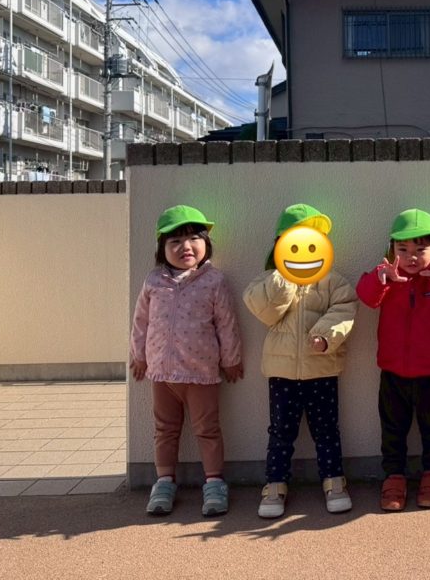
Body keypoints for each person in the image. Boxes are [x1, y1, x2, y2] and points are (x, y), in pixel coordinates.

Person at [244, 203, 358, 519]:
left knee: (327, 430)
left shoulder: (333, 281)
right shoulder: (268, 280)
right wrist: (283, 276)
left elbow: (345, 309)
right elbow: (266, 312)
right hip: (282, 373)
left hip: (321, 368)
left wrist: (324, 335)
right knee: (281, 432)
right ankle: (275, 484)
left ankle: (334, 482)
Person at [130, 205, 243, 517]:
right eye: (175, 241)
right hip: (162, 373)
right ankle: (164, 482)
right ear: (162, 249)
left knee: (207, 428)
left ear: (206, 244)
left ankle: (214, 483)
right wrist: (138, 355)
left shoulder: (214, 281)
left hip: (201, 372)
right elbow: (141, 322)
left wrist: (231, 359)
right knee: (165, 430)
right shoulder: (154, 281)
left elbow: (227, 323)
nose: (186, 247)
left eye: (194, 238)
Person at [356, 209, 430, 511]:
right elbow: (367, 298)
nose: (411, 257)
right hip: (392, 372)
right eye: (402, 249)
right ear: (391, 249)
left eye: (420, 249)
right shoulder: (387, 276)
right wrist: (381, 279)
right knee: (393, 429)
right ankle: (394, 476)